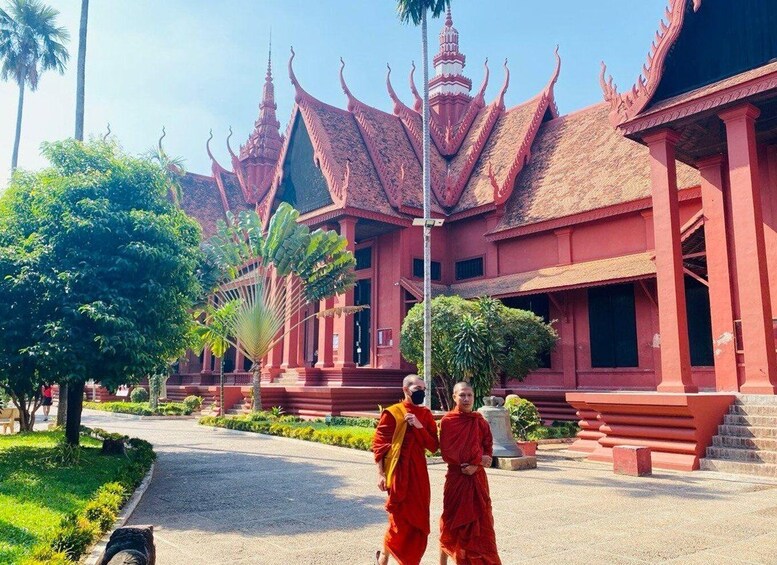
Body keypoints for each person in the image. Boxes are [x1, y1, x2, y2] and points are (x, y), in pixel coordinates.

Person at [373, 374, 439, 565]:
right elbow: (379, 446)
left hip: (418, 474)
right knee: (398, 522)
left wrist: (418, 427)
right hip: (399, 474)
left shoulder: (425, 415)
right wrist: (381, 474)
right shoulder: (392, 413)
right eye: (417, 389)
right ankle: (386, 558)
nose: (421, 393)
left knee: (418, 521)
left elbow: (433, 446)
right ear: (405, 390)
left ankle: (407, 561)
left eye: (423, 389)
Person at [439, 382, 501, 565]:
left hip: (477, 480)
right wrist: (476, 462)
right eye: (462, 395)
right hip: (457, 479)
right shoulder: (448, 421)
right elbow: (448, 452)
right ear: (454, 397)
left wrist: (482, 461)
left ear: (474, 397)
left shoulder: (479, 420)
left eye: (469, 395)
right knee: (452, 522)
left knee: (482, 525)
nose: (466, 399)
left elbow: (487, 445)